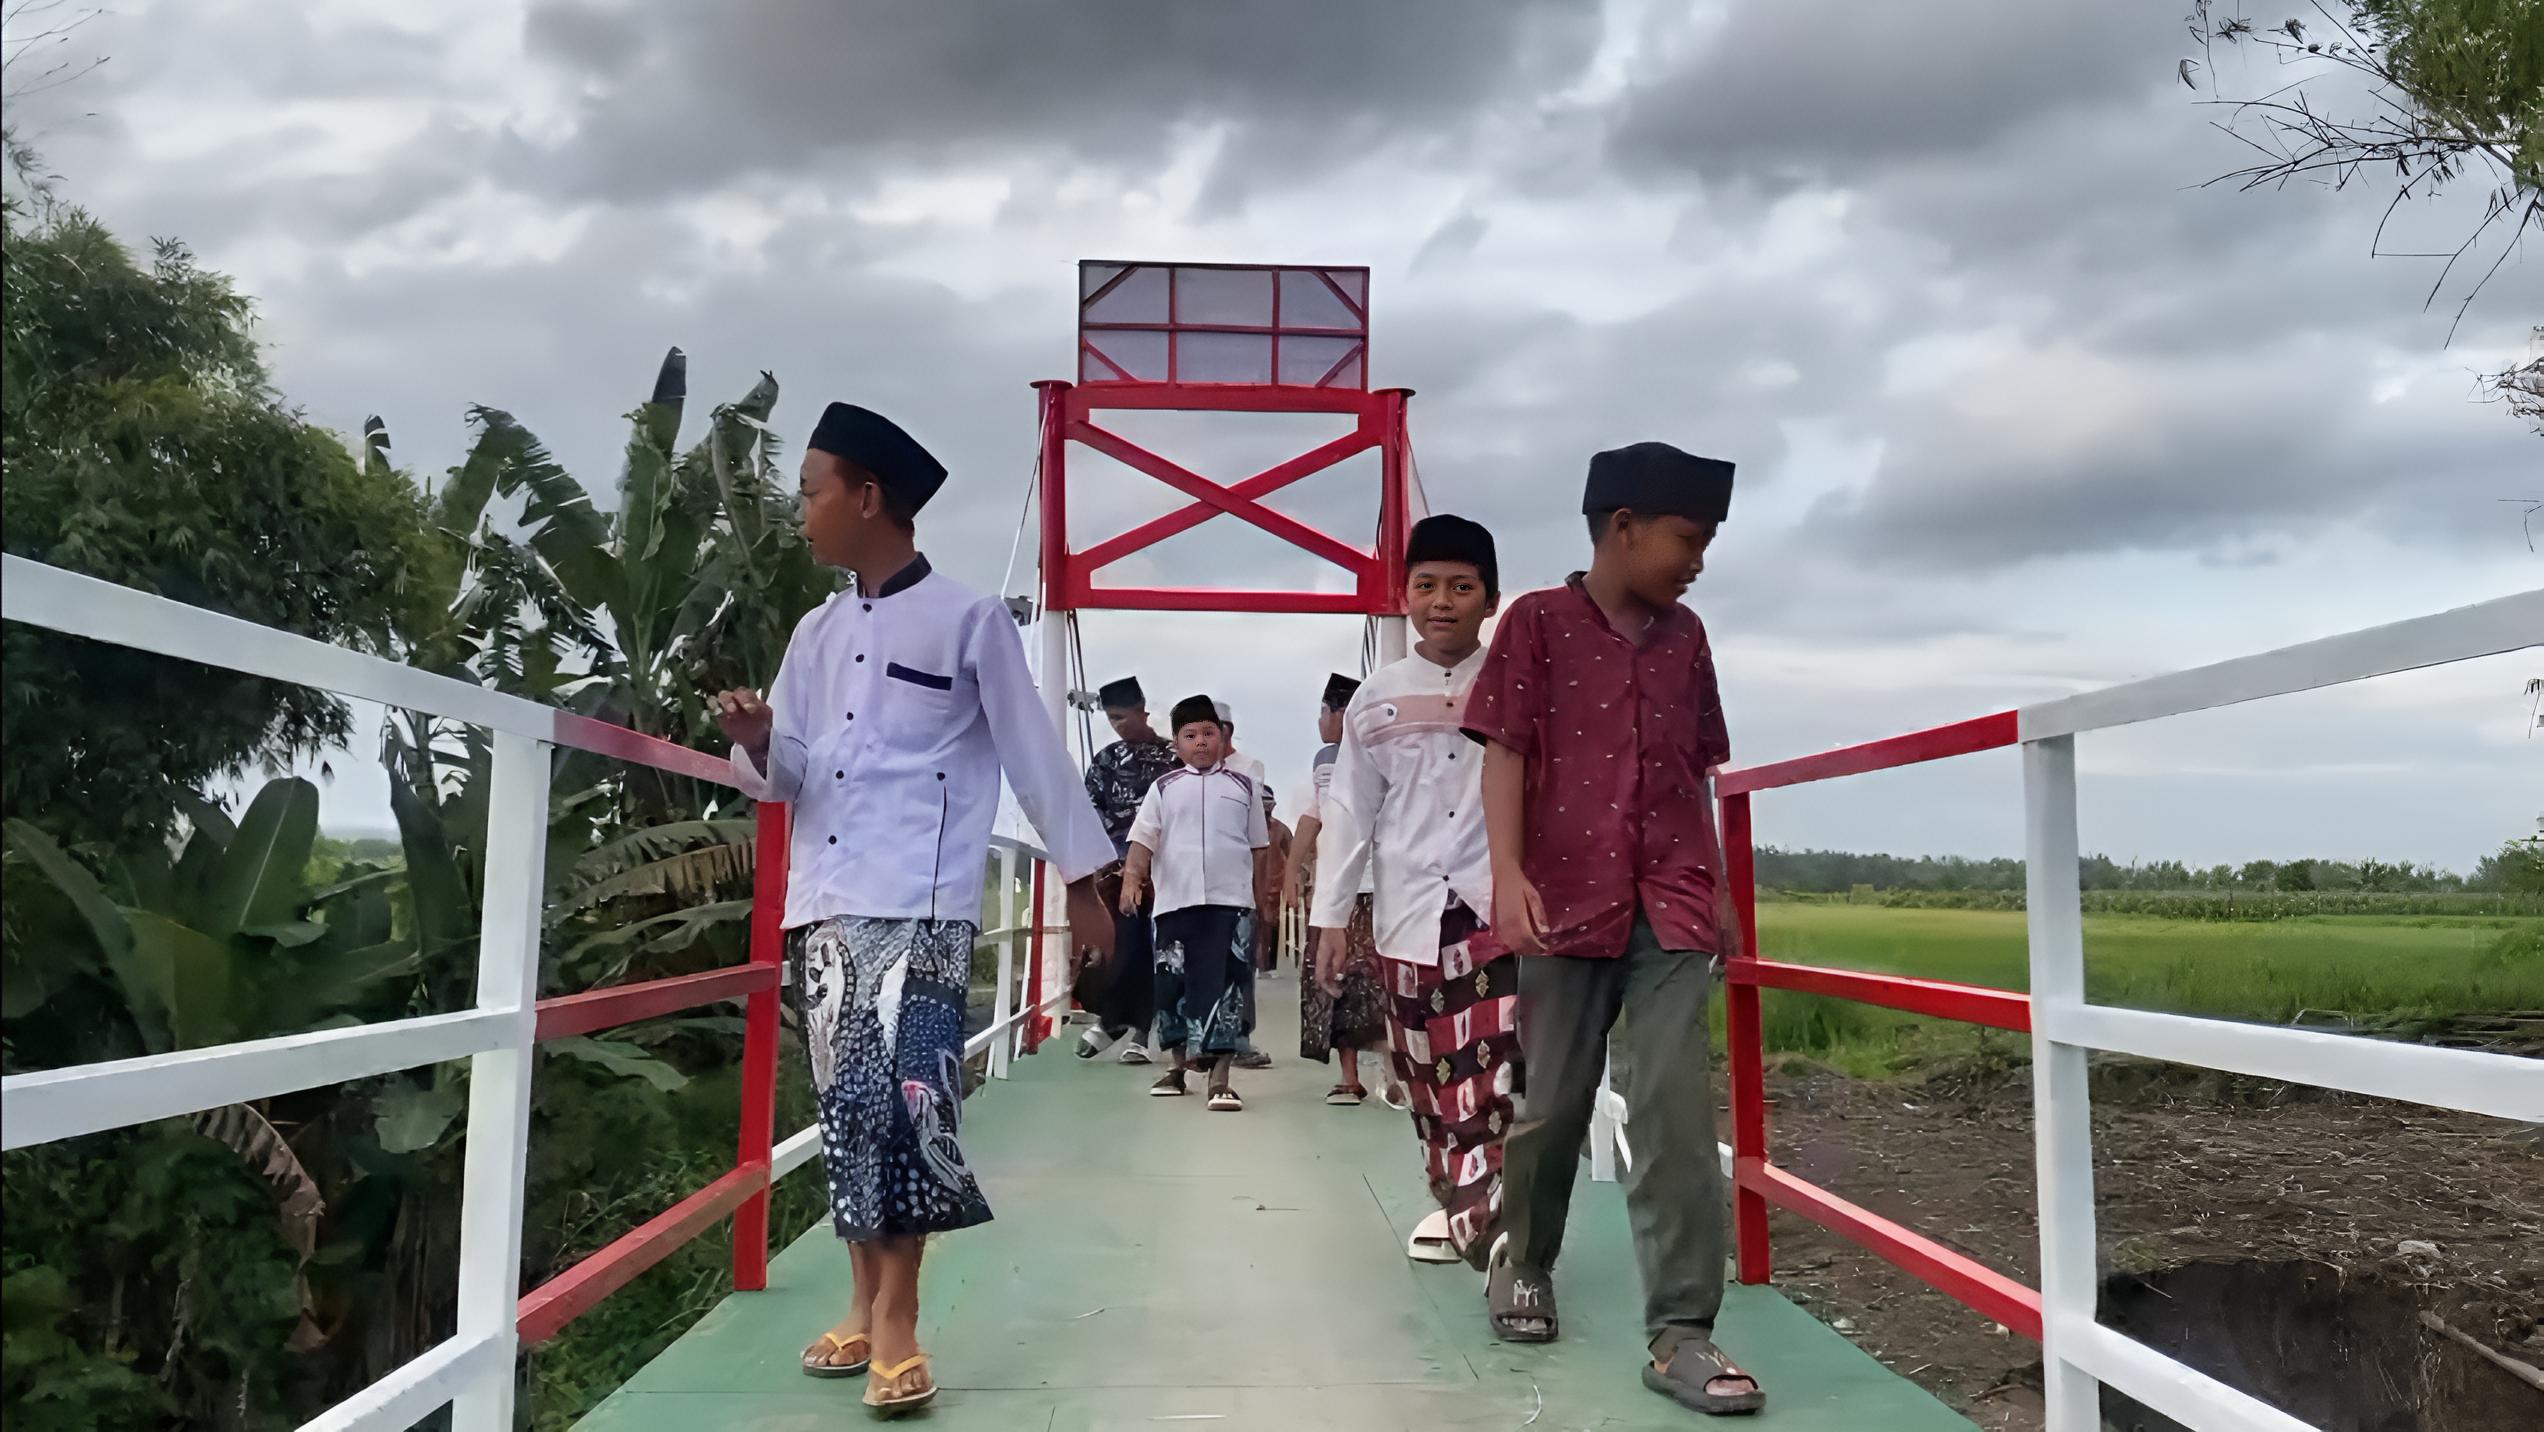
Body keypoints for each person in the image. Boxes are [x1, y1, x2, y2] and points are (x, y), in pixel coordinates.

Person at [713, 401, 1117, 1415]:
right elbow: (785, 777)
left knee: (912, 1107)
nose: (800, 511)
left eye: (811, 492)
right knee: (849, 1111)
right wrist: (759, 738)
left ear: (866, 497)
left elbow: (1033, 753)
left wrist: (1082, 882)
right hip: (827, 902)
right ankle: (860, 1303)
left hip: (923, 903)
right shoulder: (813, 633)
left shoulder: (971, 620)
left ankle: (898, 1317)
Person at [1460, 443, 1764, 1416]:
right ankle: (1524, 1258)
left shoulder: (1688, 637)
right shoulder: (1536, 624)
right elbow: (1506, 752)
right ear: (1622, 528)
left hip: (1671, 899)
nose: (1699, 561)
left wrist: (1718, 887)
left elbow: (1697, 770)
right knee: (1553, 1103)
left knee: (1673, 1107)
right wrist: (1507, 874)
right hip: (1564, 898)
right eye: (1688, 539)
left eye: (1708, 543)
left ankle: (1681, 1332)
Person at [1313, 517, 1516, 1269]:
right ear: (1404, 596)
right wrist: (1331, 919)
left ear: (1491, 599)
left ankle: (1490, 1221)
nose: (1443, 602)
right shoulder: (1376, 698)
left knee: (1489, 1072)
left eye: (1462, 587)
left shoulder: (1516, 685)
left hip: (1493, 908)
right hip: (1405, 912)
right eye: (1426, 585)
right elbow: (1350, 812)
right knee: (1423, 1073)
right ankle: (1454, 1198)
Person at [1120, 695, 1270, 1111]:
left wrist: (1261, 903)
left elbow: (1259, 848)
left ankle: (1220, 1080)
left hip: (1231, 904)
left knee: (1228, 990)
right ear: (1177, 743)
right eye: (1190, 735)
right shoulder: (1163, 788)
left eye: (1208, 733)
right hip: (1176, 904)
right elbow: (1143, 839)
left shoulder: (1245, 787)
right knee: (1173, 986)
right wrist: (1132, 879)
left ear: (1223, 738)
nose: (1200, 742)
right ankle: (1176, 1069)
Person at [1292, 672, 1391, 1107]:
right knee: (1339, 979)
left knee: (1375, 980)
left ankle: (1389, 1072)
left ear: (1343, 714)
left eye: (1323, 712)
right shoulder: (1324, 761)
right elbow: (1315, 816)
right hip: (1338, 890)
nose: (1321, 722)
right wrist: (1294, 868)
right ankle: (1353, 1077)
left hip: (1377, 886)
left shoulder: (1379, 752)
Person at [1078, 676, 1176, 1063]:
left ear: (1142, 712)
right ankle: (1121, 1021)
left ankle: (1136, 1028)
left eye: (1122, 717)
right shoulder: (1106, 760)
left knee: (1159, 948)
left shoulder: (1174, 758)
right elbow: (1090, 811)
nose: (1117, 725)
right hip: (1120, 871)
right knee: (1126, 945)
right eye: (1111, 719)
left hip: (1169, 868)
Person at [1214, 700, 1276, 1067]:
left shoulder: (1249, 769)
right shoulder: (1182, 774)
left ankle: (1239, 1038)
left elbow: (1257, 835)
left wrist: (1261, 892)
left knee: (1239, 964)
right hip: (1196, 883)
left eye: (1211, 730)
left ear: (1227, 732)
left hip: (1237, 881)